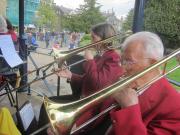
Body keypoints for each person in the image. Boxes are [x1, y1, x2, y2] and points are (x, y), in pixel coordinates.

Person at [40, 23, 124, 135]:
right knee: (46, 107)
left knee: (52, 120)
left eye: (94, 37)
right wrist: (70, 75)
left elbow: (98, 84)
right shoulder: (100, 55)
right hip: (82, 99)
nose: (91, 41)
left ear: (105, 39)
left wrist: (89, 61)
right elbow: (87, 79)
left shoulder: (113, 58)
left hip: (91, 107)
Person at [108, 31, 180, 135]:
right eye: (121, 61)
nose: (122, 69)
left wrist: (129, 108)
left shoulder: (175, 107)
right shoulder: (125, 80)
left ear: (152, 64)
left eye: (128, 62)